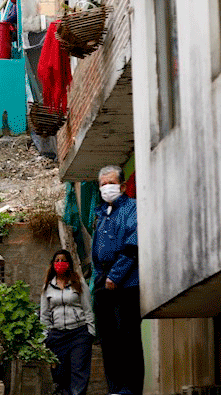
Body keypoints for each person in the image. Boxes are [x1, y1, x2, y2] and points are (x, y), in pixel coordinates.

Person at [92, 165, 142, 395]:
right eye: (102, 184)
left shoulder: (132, 208)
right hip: (103, 280)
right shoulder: (101, 213)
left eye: (110, 183)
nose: (106, 188)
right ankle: (114, 388)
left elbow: (133, 244)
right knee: (108, 338)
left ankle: (130, 389)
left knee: (128, 337)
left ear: (122, 186)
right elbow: (96, 253)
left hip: (127, 281)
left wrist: (115, 275)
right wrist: (98, 280)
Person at [40, 249, 94, 395]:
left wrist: (90, 332)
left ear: (69, 264)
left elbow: (88, 308)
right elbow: (44, 314)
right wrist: (44, 336)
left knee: (79, 372)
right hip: (57, 336)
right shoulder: (47, 287)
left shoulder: (78, 283)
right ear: (52, 264)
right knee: (59, 374)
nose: (60, 263)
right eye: (57, 261)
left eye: (63, 260)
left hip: (79, 334)